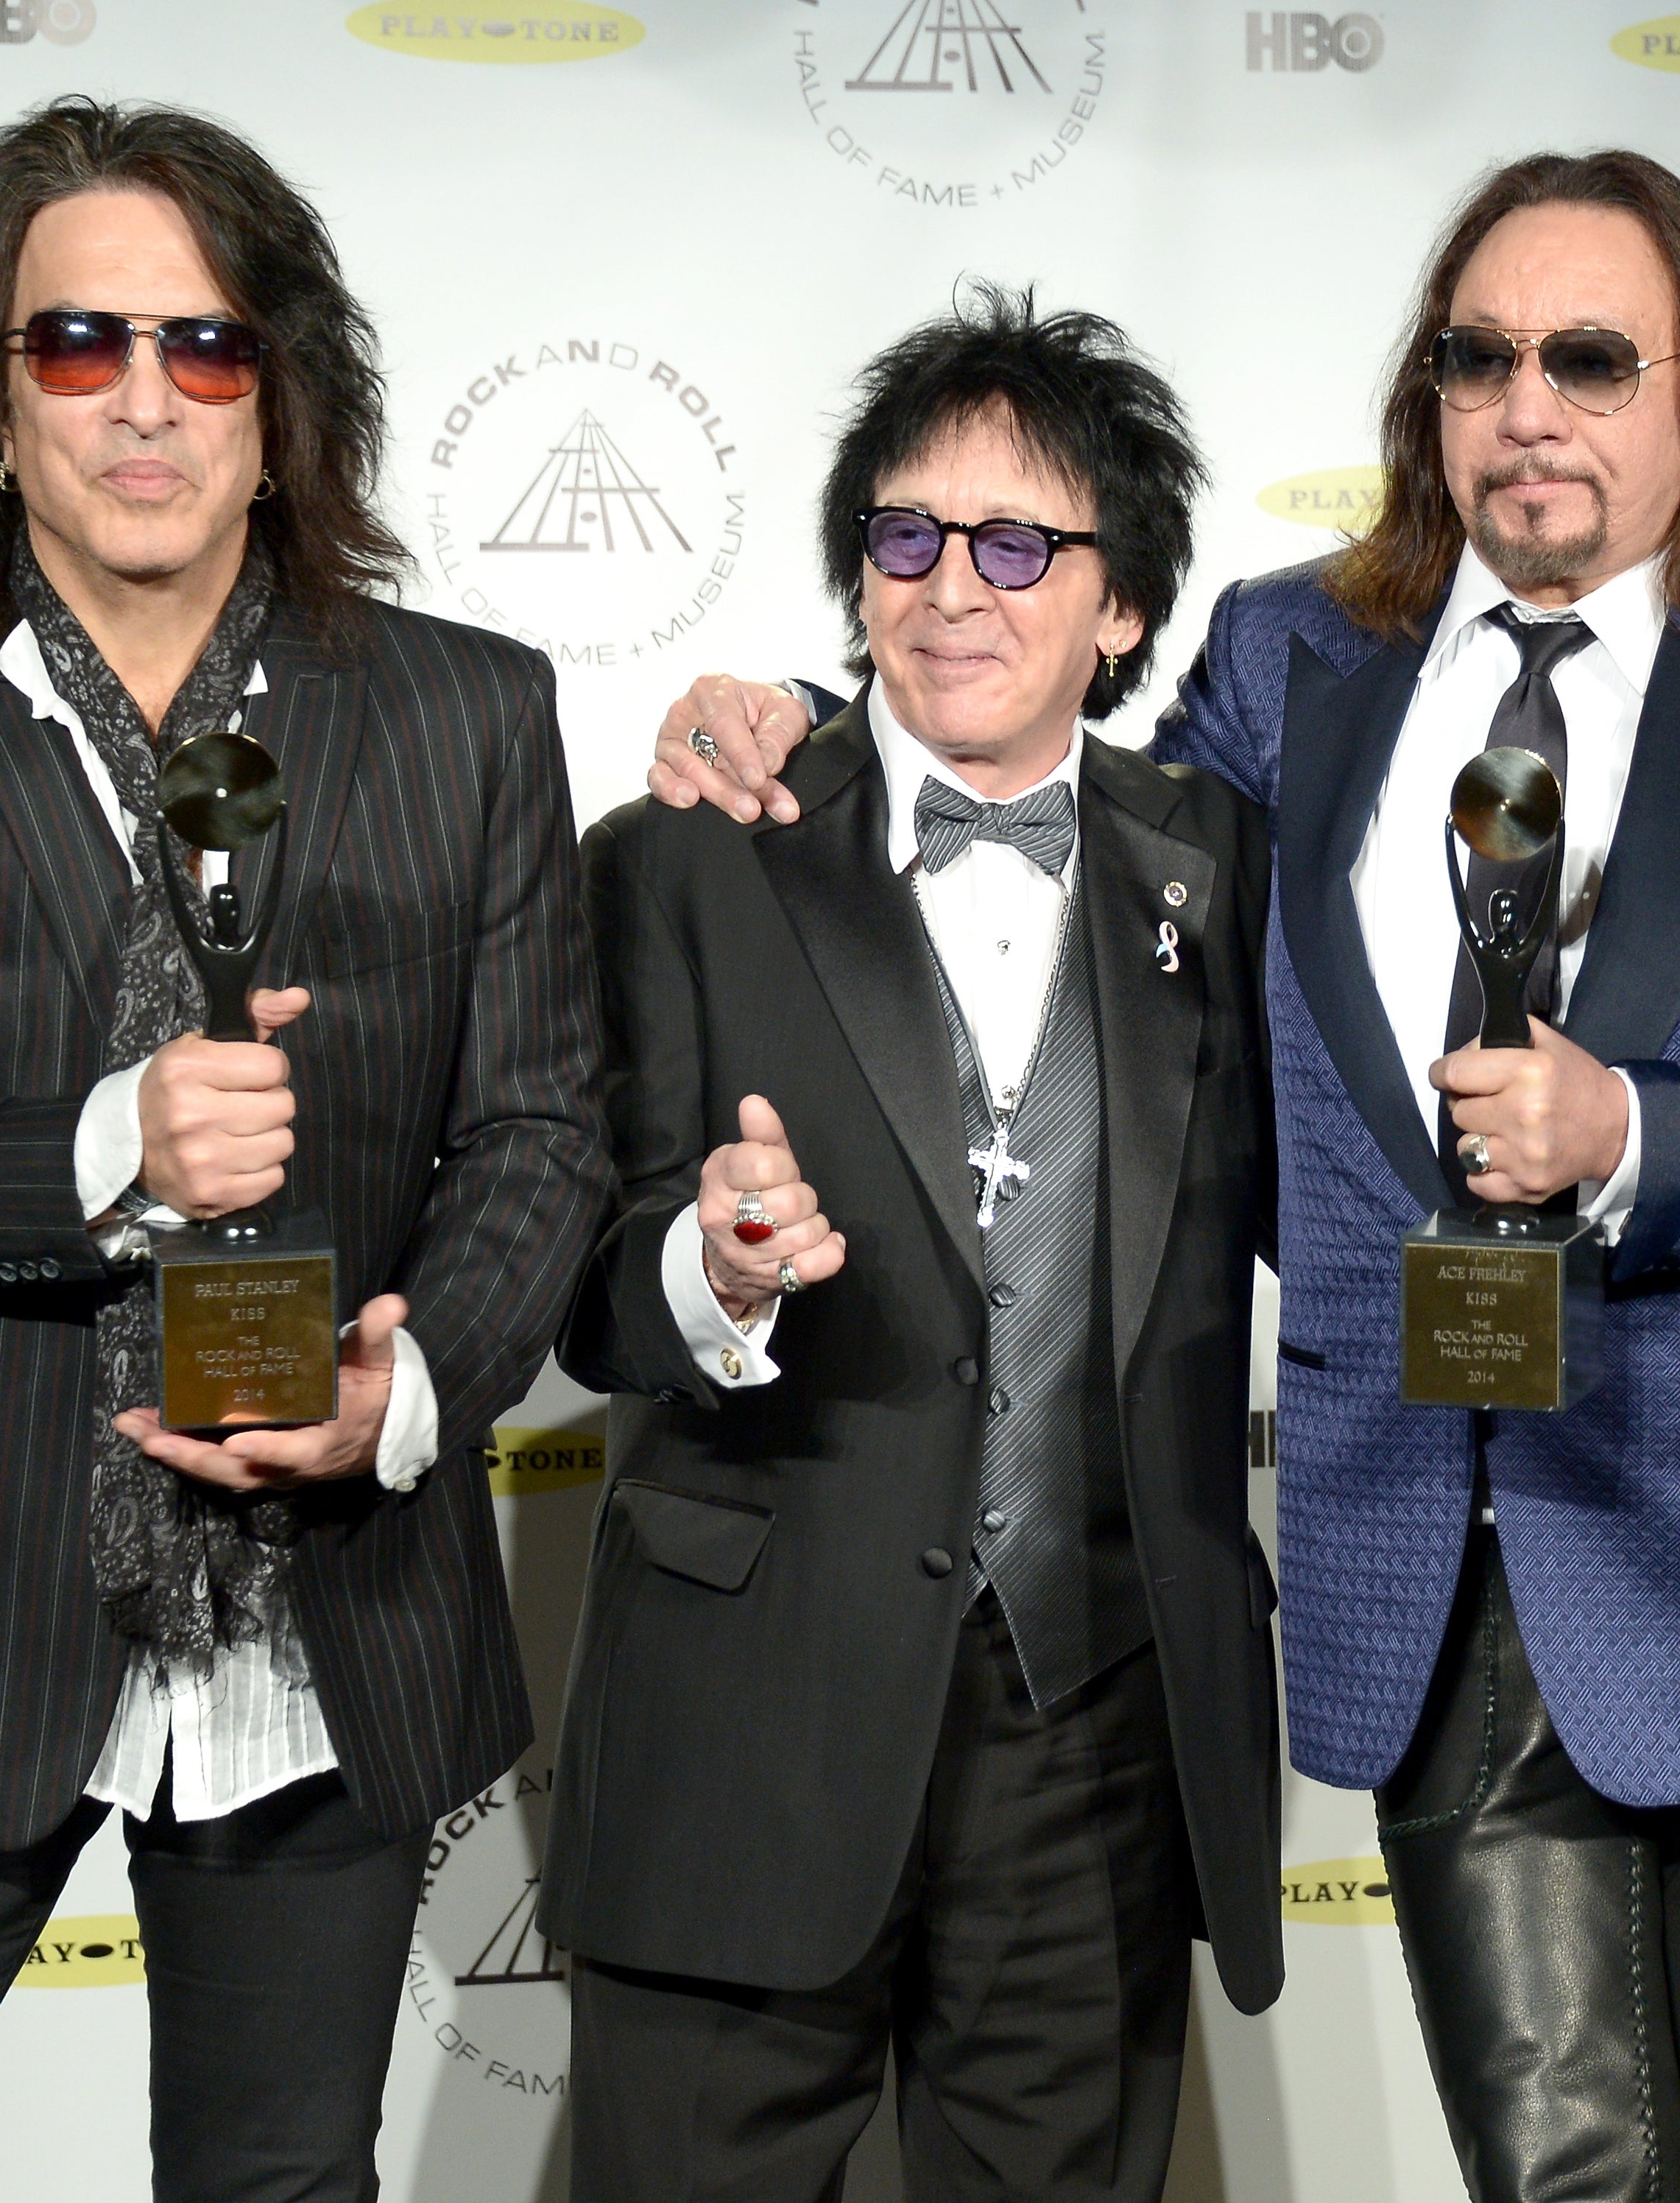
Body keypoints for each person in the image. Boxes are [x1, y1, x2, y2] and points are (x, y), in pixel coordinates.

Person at [652, 154, 1680, 2201]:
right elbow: (1040, 779)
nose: (1529, 406)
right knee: (1561, 2174)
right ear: (1426, 399)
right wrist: (790, 717)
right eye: (1479, 358)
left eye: (1588, 358)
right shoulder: (1294, 664)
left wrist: (1636, 1132)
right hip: (1432, 1544)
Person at [0, 99, 608, 2202]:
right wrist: (113, 1144)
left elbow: (542, 1131)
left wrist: (400, 1394)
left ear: (280, 401)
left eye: (204, 349)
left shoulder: (466, 713)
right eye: (76, 343)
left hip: (329, 1601)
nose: (143, 402)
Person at [541, 285, 1280, 2203]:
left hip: (1089, 1747)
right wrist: (710, 1270)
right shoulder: (688, 852)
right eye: (907, 536)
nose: (956, 586)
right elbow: (578, 1283)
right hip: (743, 1727)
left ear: (1121, 606)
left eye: (1020, 542)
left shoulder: (1225, 869)